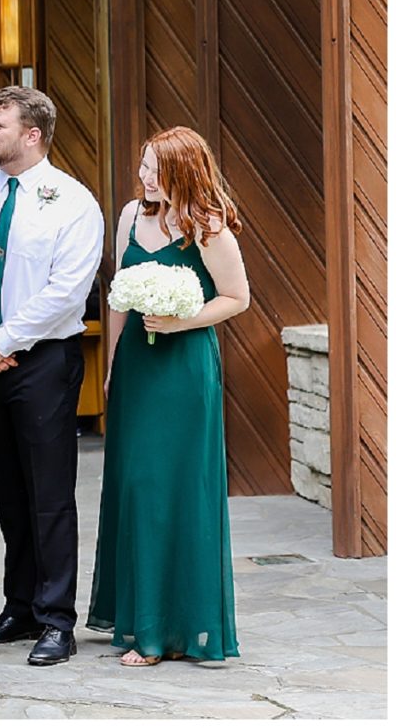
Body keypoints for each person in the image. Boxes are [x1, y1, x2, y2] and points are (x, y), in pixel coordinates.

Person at [89, 127, 248, 666]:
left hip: (184, 370)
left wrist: (184, 321)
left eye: (155, 168)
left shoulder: (209, 227)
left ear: (183, 170)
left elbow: (237, 298)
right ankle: (140, 618)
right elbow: (116, 297)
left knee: (175, 489)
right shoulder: (130, 216)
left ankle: (165, 633)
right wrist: (112, 364)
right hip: (137, 365)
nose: (144, 176)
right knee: (136, 487)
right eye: (142, 165)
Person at [0, 87, 104, 666]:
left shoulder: (73, 202)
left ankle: (56, 619)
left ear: (32, 134)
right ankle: (20, 606)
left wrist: (4, 339)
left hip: (44, 361)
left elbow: (67, 291)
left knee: (49, 494)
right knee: (6, 490)